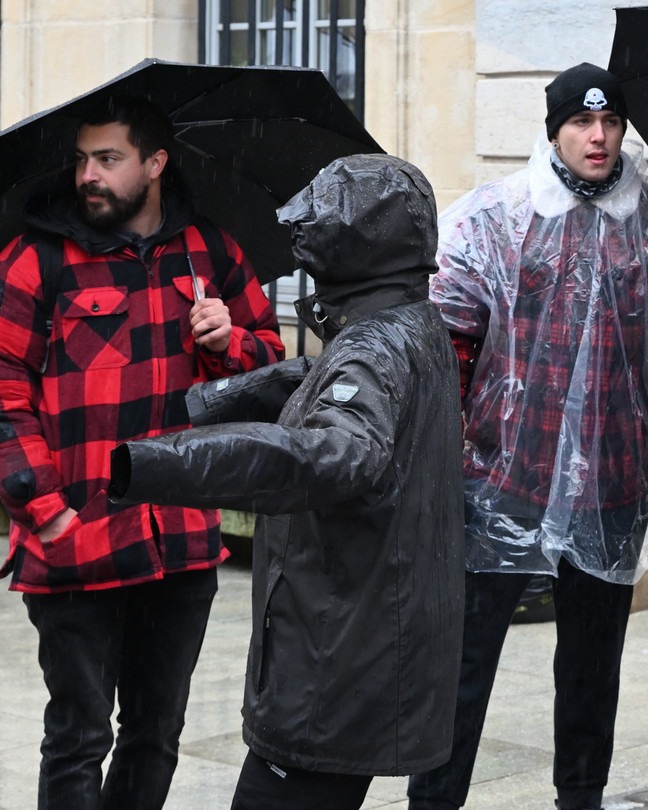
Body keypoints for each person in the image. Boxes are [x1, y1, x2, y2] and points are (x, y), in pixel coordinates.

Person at [106, 154, 466, 810]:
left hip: (333, 667)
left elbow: (335, 452)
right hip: (359, 649)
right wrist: (211, 401)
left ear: (360, 242)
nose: (303, 239)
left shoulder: (375, 347)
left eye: (320, 224)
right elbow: (317, 382)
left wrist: (164, 461)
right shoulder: (407, 323)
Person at [404, 62, 648, 810]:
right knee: (462, 662)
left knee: (593, 668)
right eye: (580, 122)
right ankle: (434, 800)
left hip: (610, 485)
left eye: (610, 122)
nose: (598, 137)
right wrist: (437, 465)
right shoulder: (496, 215)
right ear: (553, 129)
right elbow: (449, 348)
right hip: (501, 480)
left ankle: (581, 798)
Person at [0, 96, 284, 810]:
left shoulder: (210, 251)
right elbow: (3, 392)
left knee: (156, 733)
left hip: (180, 541)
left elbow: (271, 373)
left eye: (108, 159)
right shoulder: (36, 259)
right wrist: (45, 512)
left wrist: (229, 343)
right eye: (81, 160)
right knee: (78, 737)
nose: (87, 176)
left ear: (155, 163)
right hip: (76, 539)